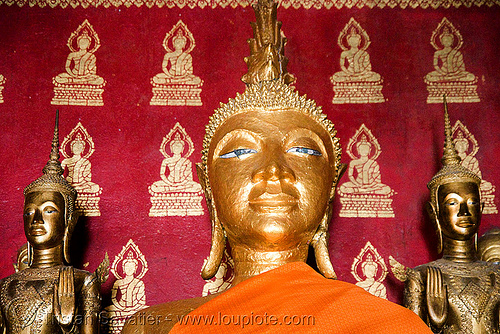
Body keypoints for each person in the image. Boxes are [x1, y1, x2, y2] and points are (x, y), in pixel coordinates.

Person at [123, 1, 432, 333]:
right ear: (210, 189)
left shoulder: (387, 325)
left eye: (302, 150)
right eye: (240, 151)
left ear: (330, 191)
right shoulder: (153, 326)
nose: (273, 170)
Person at [404, 100, 500, 333]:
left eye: (472, 202)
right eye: (453, 203)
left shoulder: (497, 275)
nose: (465, 211)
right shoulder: (422, 277)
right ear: (434, 212)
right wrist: (433, 325)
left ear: (482, 207)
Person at [0, 112, 101, 333]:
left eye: (48, 210)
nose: (36, 220)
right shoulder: (5, 287)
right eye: (29, 213)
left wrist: (68, 325)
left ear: (68, 221)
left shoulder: (82, 282)